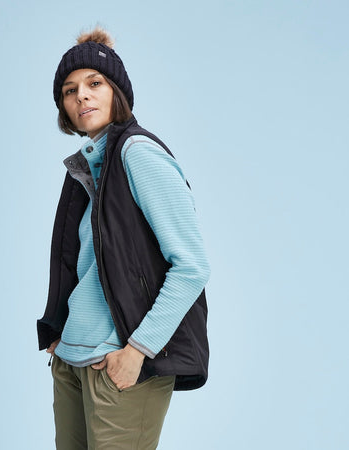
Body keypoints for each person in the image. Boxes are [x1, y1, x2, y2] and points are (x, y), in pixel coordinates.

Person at [37, 27, 211, 450]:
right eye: (70, 90)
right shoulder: (85, 168)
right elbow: (80, 264)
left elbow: (191, 267)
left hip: (120, 362)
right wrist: (60, 334)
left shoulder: (138, 153)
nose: (82, 96)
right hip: (72, 359)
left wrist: (138, 351)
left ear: (117, 91)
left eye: (94, 83)